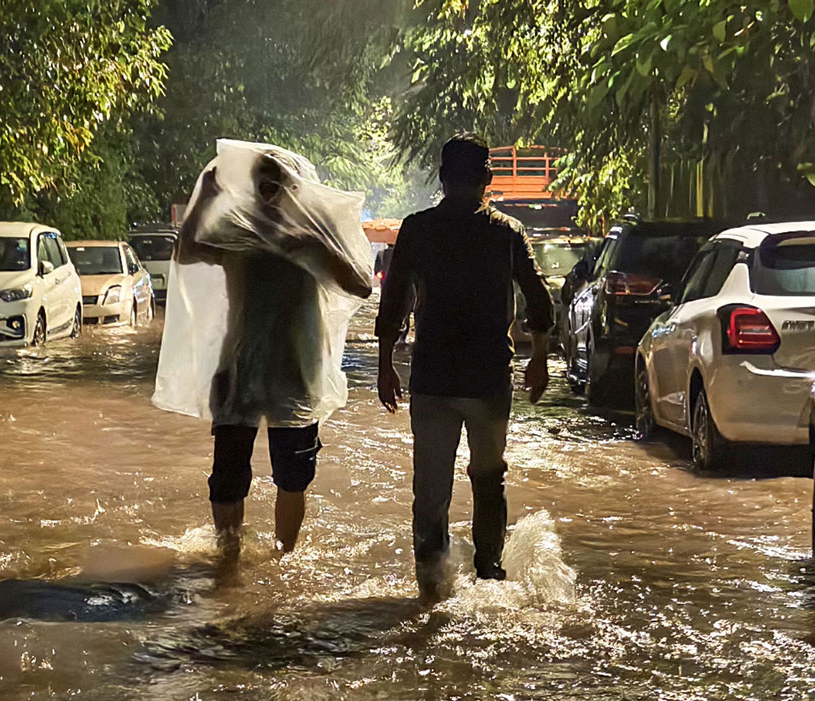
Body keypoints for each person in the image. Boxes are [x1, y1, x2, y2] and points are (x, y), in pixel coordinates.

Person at [375, 134, 553, 601]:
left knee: (430, 486)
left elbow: (394, 300)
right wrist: (538, 358)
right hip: (488, 380)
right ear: (488, 180)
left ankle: (430, 591)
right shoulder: (507, 234)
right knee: (489, 478)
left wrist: (385, 365)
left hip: (433, 379)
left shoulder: (417, 229)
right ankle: (490, 576)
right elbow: (538, 298)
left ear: (441, 178)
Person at [176, 152, 372, 556]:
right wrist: (206, 199)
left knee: (293, 476)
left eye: (276, 182)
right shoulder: (239, 231)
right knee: (227, 476)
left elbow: (361, 286)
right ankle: (227, 564)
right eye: (261, 182)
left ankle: (283, 559)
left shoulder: (315, 234)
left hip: (296, 369)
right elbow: (187, 252)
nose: (269, 190)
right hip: (239, 366)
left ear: (293, 188)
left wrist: (316, 247)